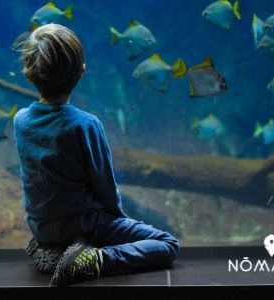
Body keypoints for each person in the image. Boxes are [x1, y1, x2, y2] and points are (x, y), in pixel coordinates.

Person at [13, 23, 179, 286]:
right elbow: (104, 183)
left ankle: (53, 249)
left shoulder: (20, 120)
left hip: (42, 228)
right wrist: (118, 219)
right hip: (86, 224)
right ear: (81, 72)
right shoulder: (85, 124)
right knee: (166, 243)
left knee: (71, 227)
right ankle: (97, 259)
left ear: (28, 74)